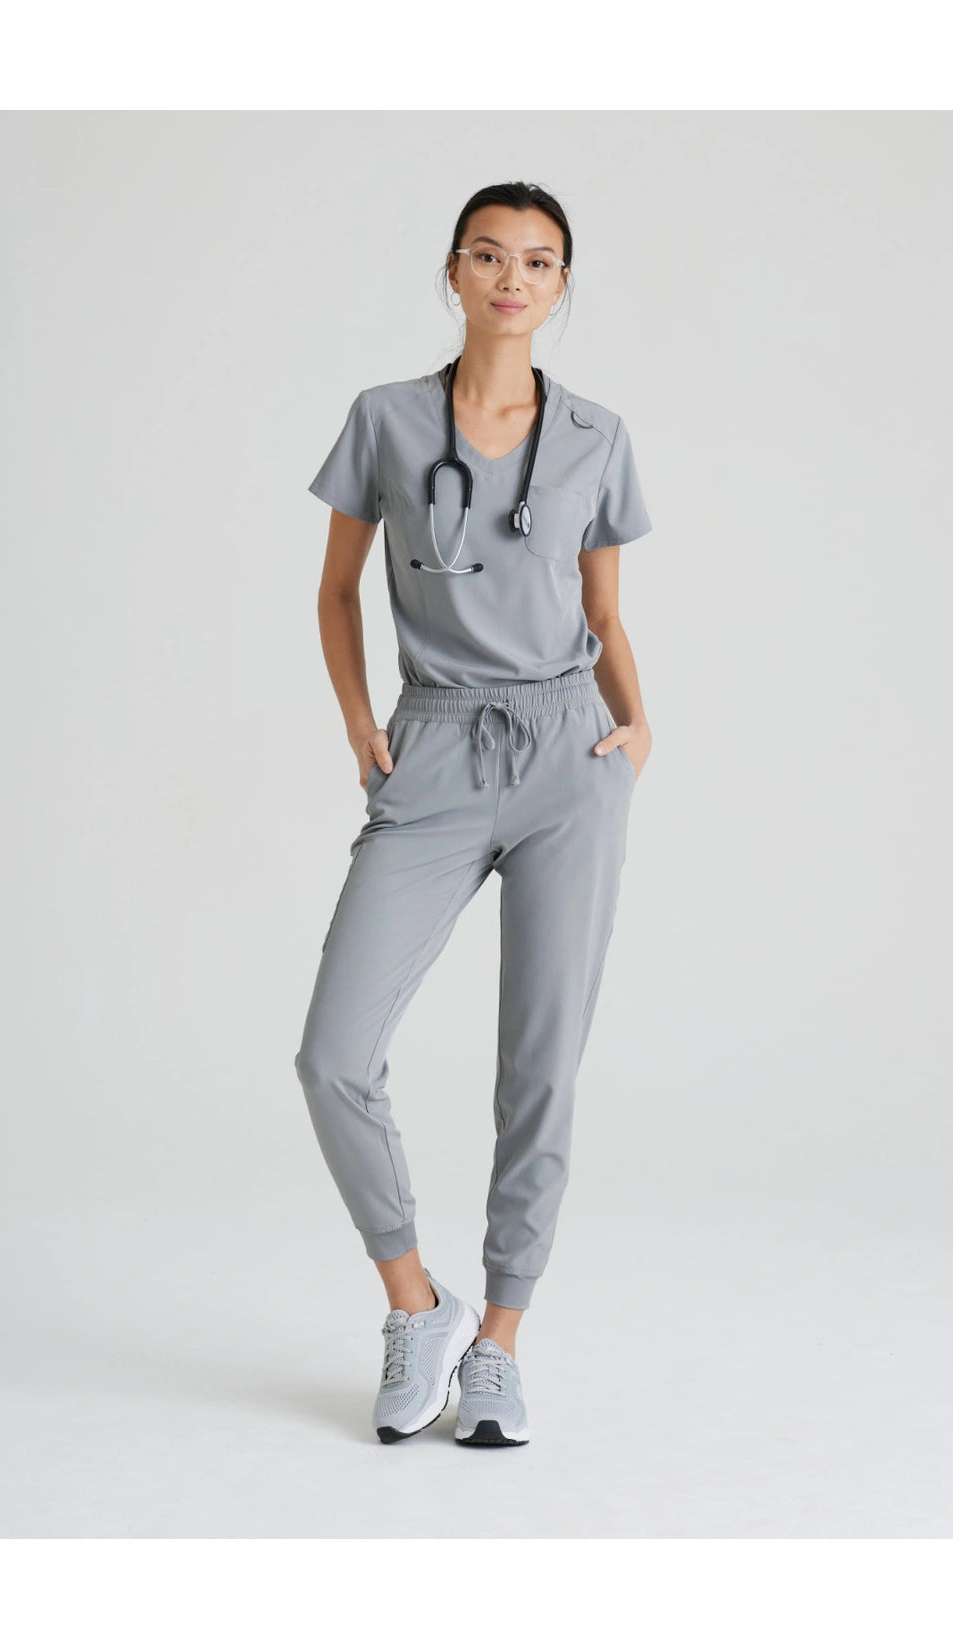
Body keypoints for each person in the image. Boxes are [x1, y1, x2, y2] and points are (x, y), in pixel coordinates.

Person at [295, 180, 653, 1447]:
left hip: (567, 753)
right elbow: (335, 593)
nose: (512, 278)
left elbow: (601, 614)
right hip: (435, 747)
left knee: (538, 1066)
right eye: (489, 255)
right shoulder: (385, 420)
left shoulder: (597, 436)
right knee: (332, 1054)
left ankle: (499, 1339)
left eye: (538, 261)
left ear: (561, 285)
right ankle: (417, 1302)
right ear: (452, 272)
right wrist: (360, 723)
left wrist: (636, 728)